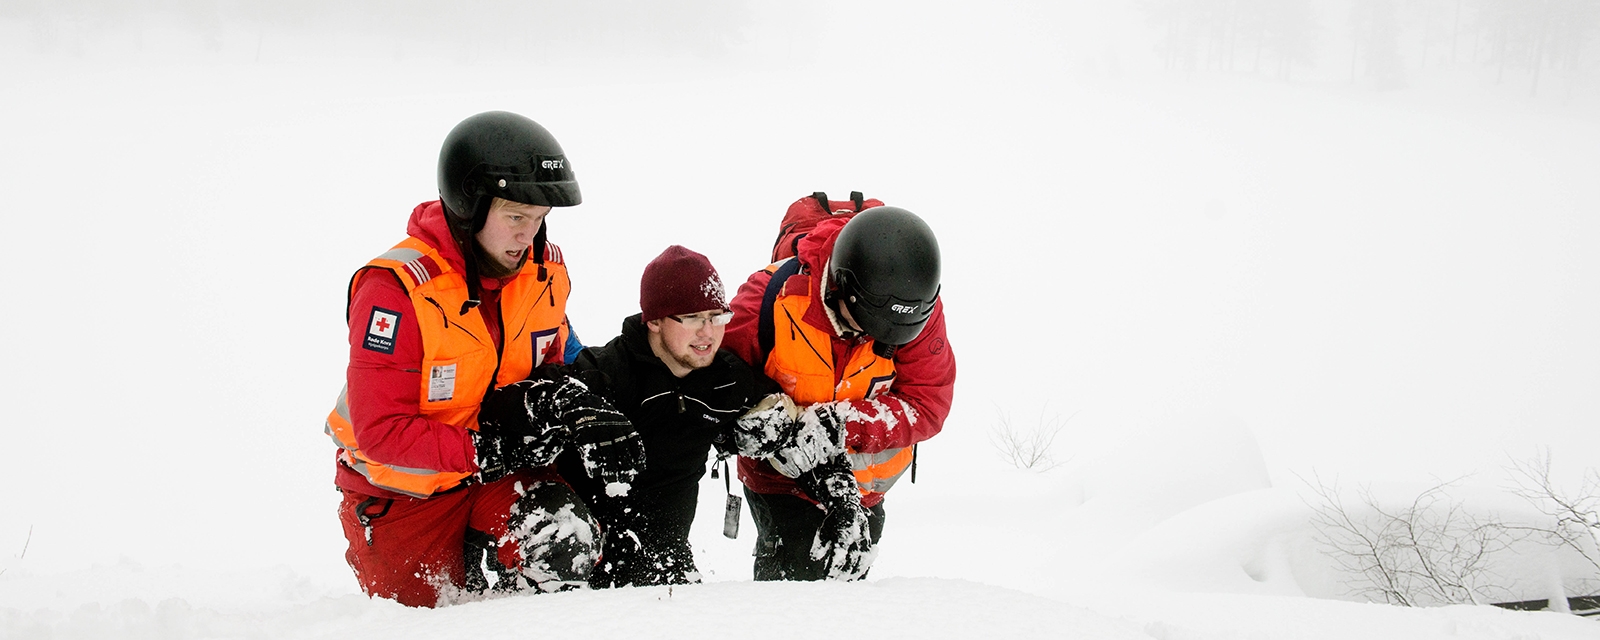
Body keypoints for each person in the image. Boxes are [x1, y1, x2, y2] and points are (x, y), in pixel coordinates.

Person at [324, 111, 644, 607]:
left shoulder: (545, 273)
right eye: (516, 217)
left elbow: (552, 364)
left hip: (497, 478)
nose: (528, 237)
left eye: (539, 220)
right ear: (468, 207)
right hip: (403, 492)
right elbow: (381, 430)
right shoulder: (397, 290)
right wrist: (486, 449)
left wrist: (571, 405)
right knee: (426, 624)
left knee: (564, 541)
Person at [722, 202, 956, 581]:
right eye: (863, 324)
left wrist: (842, 425)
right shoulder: (769, 298)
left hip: (866, 489)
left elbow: (929, 403)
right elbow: (721, 378)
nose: (871, 338)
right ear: (840, 288)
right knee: (793, 581)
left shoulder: (914, 307)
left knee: (848, 593)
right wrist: (771, 414)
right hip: (781, 484)